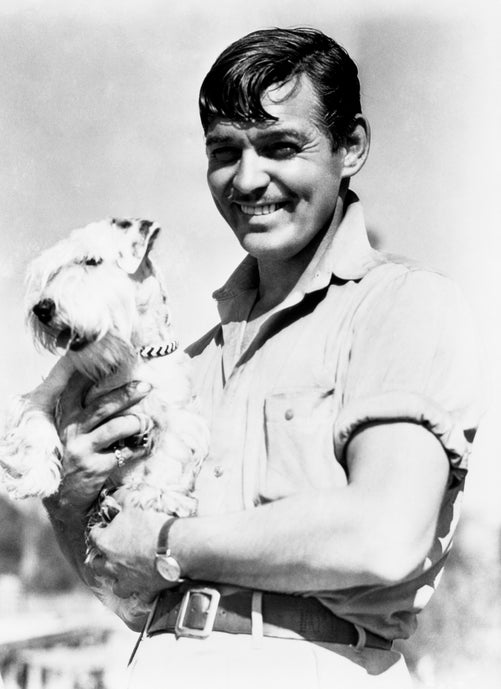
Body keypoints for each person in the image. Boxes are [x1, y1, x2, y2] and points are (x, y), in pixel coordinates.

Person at [45, 27, 482, 688]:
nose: (248, 179)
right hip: (157, 665)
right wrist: (69, 499)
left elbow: (383, 536)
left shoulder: (402, 307)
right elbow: (124, 590)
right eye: (225, 151)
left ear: (351, 146)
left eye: (280, 146)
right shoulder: (184, 366)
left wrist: (164, 543)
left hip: (308, 666)